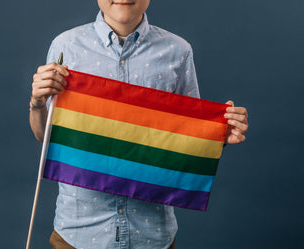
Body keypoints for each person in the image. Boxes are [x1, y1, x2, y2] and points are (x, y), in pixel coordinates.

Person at [29, 1, 249, 248]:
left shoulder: (178, 52)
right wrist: (37, 103)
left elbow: (186, 141)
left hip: (152, 237)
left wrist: (217, 133)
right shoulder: (66, 46)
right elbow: (47, 137)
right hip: (77, 235)